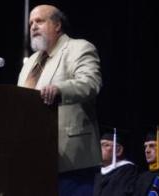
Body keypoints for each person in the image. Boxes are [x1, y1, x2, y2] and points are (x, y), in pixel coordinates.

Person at [17, 4, 102, 196]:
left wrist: (59, 89)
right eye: (31, 23)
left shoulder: (79, 48)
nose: (33, 27)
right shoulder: (30, 63)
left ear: (57, 25)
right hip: (34, 159)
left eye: (39, 21)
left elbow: (90, 83)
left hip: (72, 162)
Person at [93, 127, 138, 196]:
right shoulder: (98, 175)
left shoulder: (128, 171)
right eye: (100, 145)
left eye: (105, 145)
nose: (100, 148)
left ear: (118, 150)